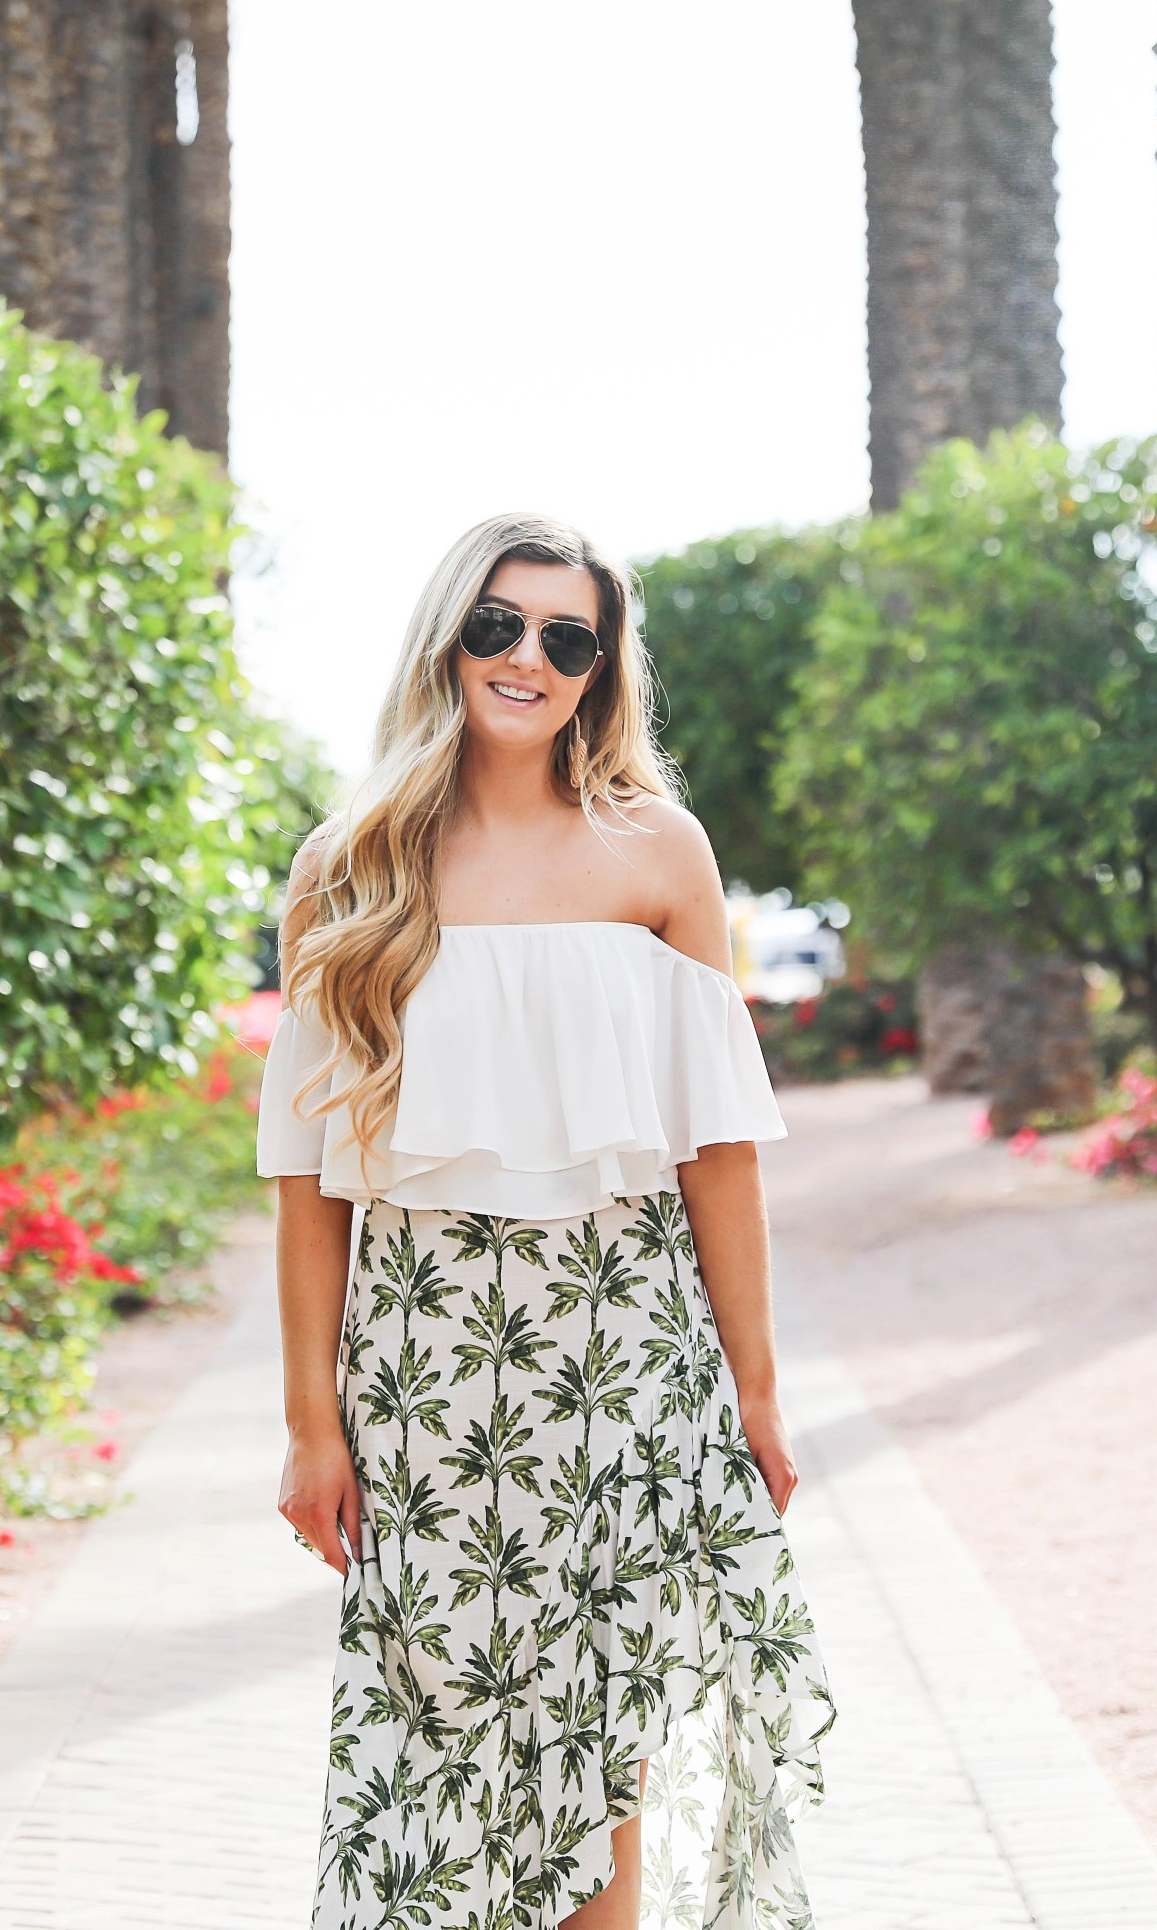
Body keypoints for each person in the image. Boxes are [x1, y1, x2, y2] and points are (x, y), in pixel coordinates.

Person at [260, 513, 832, 1930]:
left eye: (567, 638)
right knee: (432, 1750)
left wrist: (754, 1393)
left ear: (601, 670)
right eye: (501, 624)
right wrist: (311, 1423)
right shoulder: (352, 867)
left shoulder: (660, 854)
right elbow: (308, 1184)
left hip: (625, 1356)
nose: (528, 658)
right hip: (427, 1368)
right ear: (450, 636)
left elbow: (718, 1154)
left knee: (596, 1746)